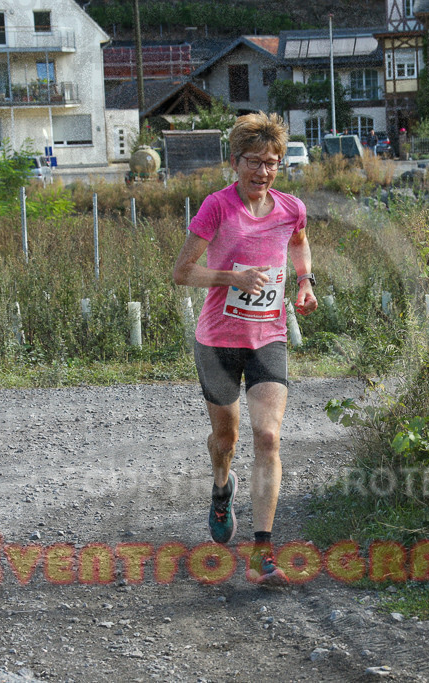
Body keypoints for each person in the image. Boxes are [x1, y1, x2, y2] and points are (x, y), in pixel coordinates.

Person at [172, 111, 317, 586]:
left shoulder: (290, 207)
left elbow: (299, 241)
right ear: (235, 162)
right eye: (253, 161)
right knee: (227, 441)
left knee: (269, 438)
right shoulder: (216, 207)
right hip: (217, 340)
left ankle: (262, 555)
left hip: (269, 336)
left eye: (272, 162)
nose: (263, 171)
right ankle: (221, 487)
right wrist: (231, 277)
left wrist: (304, 281)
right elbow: (182, 272)